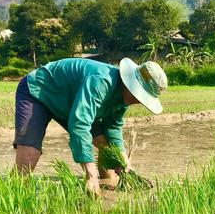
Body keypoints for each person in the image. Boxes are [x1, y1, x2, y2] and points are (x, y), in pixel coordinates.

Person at [13, 57, 167, 196]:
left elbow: (113, 126)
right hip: (39, 92)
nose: (139, 101)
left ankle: (107, 183)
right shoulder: (101, 81)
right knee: (30, 156)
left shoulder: (123, 99)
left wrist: (122, 157)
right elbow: (79, 124)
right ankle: (13, 193)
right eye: (140, 96)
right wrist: (90, 172)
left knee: (107, 146)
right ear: (130, 84)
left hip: (72, 103)